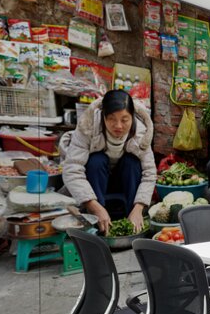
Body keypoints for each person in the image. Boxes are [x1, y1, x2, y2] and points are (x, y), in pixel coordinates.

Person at [61, 89, 156, 233]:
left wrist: (139, 208)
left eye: (124, 120)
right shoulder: (88, 126)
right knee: (96, 160)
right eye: (111, 118)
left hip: (125, 181)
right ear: (103, 116)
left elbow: (149, 172)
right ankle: (98, 220)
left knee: (132, 162)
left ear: (133, 117)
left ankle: (132, 220)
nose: (118, 125)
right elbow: (72, 169)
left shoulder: (141, 133)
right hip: (95, 182)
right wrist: (93, 205)